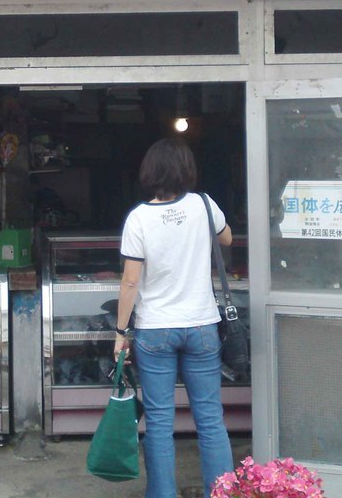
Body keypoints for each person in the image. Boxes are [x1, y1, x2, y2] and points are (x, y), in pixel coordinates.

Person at [113, 137, 234, 498]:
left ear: (149, 172)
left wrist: (120, 332)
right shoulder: (204, 205)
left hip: (155, 329)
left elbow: (130, 281)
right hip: (201, 324)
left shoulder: (139, 218)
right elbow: (227, 239)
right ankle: (221, 493)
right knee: (210, 419)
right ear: (187, 170)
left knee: (160, 423)